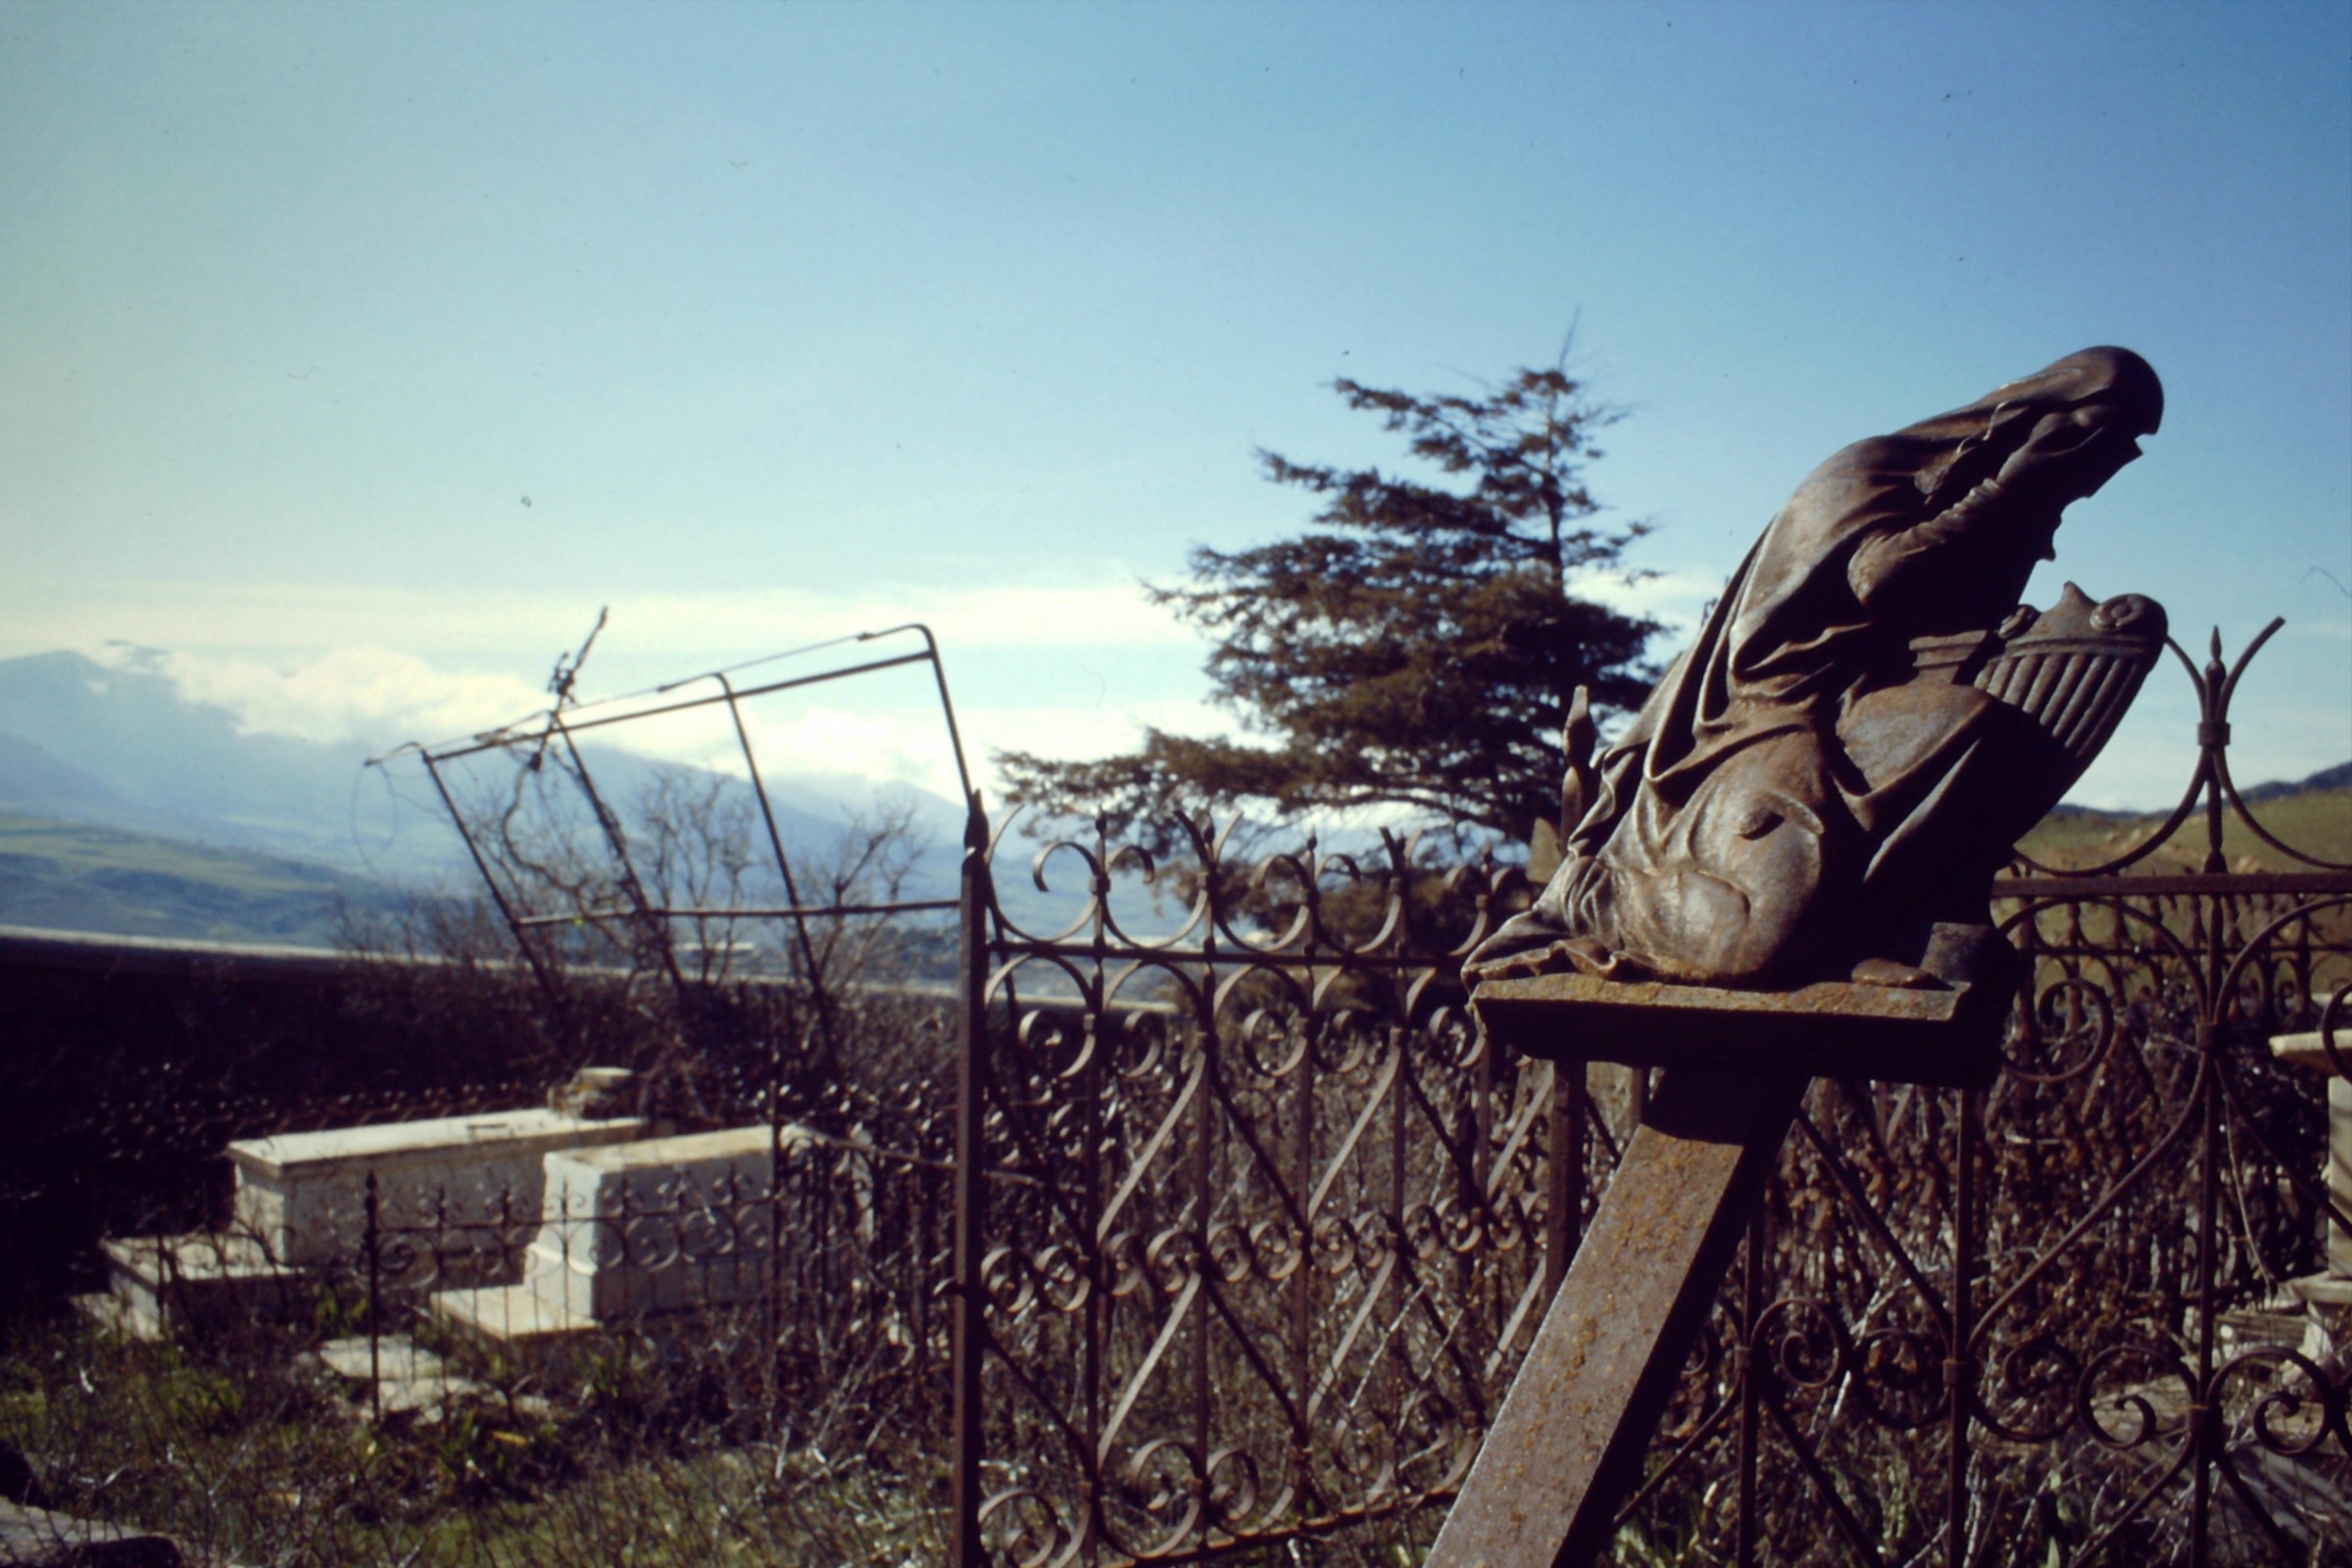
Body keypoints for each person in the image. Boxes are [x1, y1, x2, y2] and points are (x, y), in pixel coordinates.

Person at [1467, 348, 2164, 989]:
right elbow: (1880, 579)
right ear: (2041, 428)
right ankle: (1592, 899)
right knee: (1750, 946)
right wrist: (2012, 490)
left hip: (1850, 704)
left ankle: (1857, 926)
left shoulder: (1996, 504)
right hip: (1760, 716)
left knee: (1973, 721)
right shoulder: (1867, 470)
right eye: (2093, 454)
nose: (2093, 480)